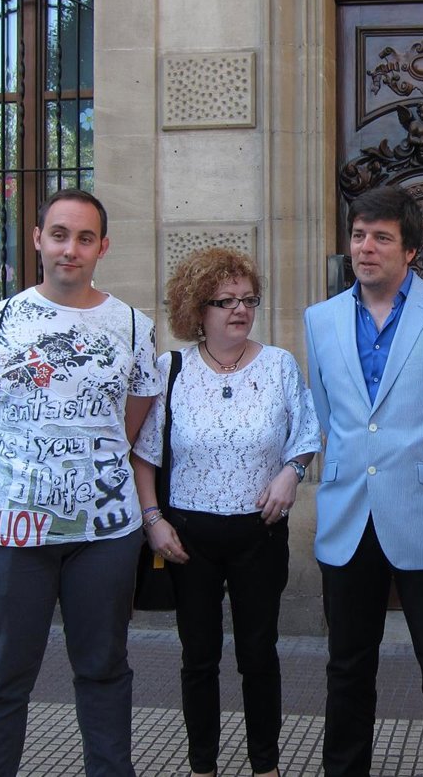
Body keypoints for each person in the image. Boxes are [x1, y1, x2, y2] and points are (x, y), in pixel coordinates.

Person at [0, 188, 159, 777]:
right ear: (38, 239)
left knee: (104, 671)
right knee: (0, 680)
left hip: (104, 533)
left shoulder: (133, 326)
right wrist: (17, 468)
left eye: (85, 238)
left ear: (103, 247)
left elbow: (131, 419)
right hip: (10, 529)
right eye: (60, 235)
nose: (71, 249)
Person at [303, 185, 423, 777]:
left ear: (409, 249)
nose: (366, 247)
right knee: (346, 667)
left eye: (381, 238)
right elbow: (328, 414)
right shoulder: (320, 320)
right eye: (359, 235)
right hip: (348, 518)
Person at [132, 247, 321, 777]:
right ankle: (202, 766)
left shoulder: (279, 365)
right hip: (187, 539)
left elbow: (307, 436)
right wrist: (153, 521)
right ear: (197, 308)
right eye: (225, 301)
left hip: (260, 534)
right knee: (199, 657)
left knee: (259, 653)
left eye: (248, 299)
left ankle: (266, 765)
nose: (240, 309)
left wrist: (291, 472)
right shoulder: (171, 370)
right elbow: (144, 456)